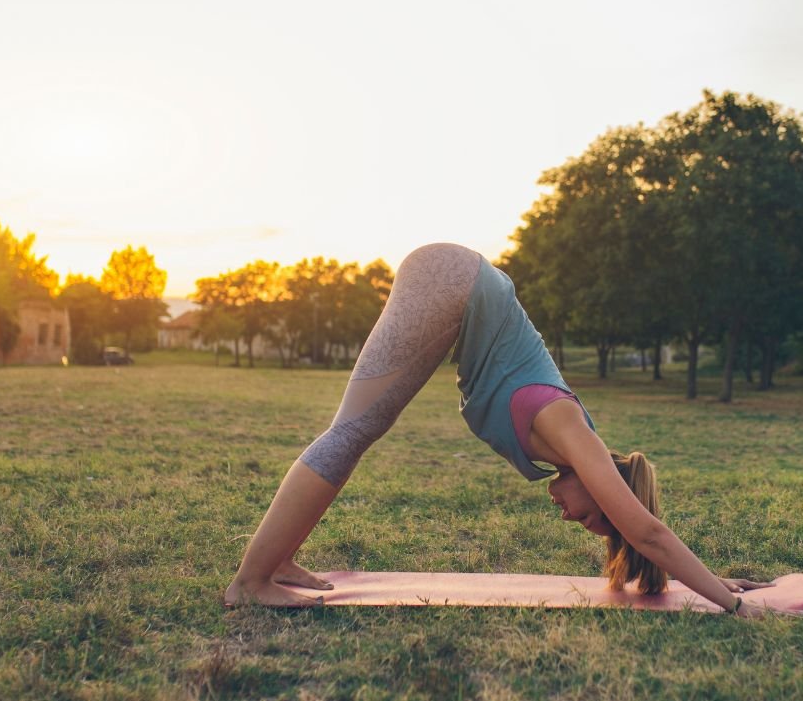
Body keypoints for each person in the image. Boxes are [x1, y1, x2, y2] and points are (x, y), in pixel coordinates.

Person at [223, 243, 770, 616]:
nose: (565, 515)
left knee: (357, 429)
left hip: (456, 282)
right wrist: (736, 606)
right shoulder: (573, 435)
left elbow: (647, 544)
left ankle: (274, 561)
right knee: (353, 430)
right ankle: (250, 581)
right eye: (584, 515)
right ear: (603, 488)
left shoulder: (567, 444)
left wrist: (713, 582)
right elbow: (649, 532)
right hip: (452, 279)